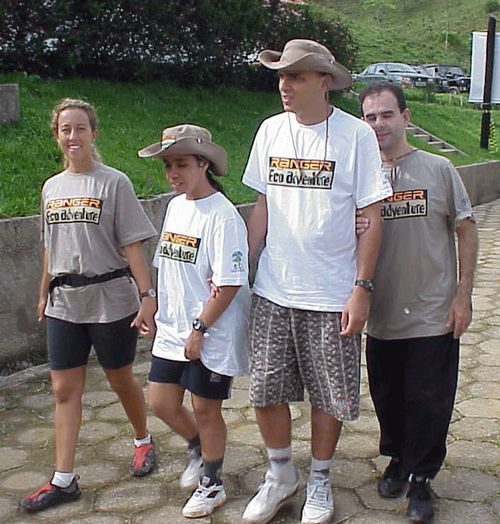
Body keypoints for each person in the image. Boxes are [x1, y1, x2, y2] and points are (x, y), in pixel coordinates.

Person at [240, 39, 393, 524]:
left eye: (296, 77)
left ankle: (321, 480)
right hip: (273, 289)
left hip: (332, 293)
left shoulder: (355, 137)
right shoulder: (269, 131)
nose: (284, 86)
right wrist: (242, 267)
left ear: (324, 82)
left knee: (331, 394)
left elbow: (373, 212)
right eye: (281, 77)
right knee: (266, 388)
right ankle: (281, 474)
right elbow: (262, 204)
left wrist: (361, 287)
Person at [19, 98, 158, 512]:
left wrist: (146, 297)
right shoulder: (51, 187)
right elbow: (50, 248)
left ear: (93, 133)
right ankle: (63, 480)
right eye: (65, 129)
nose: (72, 136)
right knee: (63, 388)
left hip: (110, 300)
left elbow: (132, 244)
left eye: (80, 128)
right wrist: (43, 292)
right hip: (64, 302)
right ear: (57, 135)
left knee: (119, 379)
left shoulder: (114, 183)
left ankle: (142, 439)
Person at [358, 82, 478, 522]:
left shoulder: (439, 169)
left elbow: (466, 229)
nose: (378, 125)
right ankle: (397, 459)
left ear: (406, 118)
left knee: (428, 400)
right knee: (387, 395)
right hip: (381, 313)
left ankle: (423, 479)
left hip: (432, 311)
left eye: (386, 115)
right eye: (370, 117)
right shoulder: (361, 175)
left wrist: (462, 296)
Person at [138, 124, 250, 518]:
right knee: (161, 401)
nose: (173, 174)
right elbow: (167, 266)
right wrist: (149, 302)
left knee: (206, 408)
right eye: (168, 165)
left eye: (181, 164)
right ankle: (199, 449)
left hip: (209, 331)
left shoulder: (223, 216)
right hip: (171, 329)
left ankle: (212, 483)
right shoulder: (176, 206)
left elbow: (230, 283)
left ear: (203, 163)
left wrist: (200, 329)